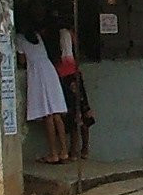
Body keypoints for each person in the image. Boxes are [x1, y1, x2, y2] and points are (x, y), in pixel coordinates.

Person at [15, 18, 69, 164]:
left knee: (48, 115)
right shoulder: (37, 36)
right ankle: (64, 151)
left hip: (37, 73)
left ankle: (53, 153)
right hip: (49, 70)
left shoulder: (19, 38)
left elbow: (22, 60)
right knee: (56, 113)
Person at [53, 21, 94, 159]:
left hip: (65, 74)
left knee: (74, 113)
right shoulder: (69, 34)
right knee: (81, 110)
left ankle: (76, 150)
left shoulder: (58, 35)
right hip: (73, 72)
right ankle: (83, 149)